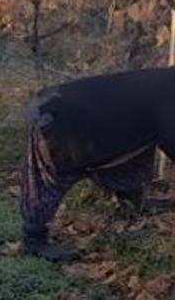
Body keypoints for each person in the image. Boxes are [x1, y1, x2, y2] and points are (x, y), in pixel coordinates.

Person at [18, 68, 175, 262]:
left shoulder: (166, 80)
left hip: (76, 108)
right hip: (65, 118)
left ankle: (132, 205)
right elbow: (170, 136)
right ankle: (34, 240)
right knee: (52, 178)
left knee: (135, 157)